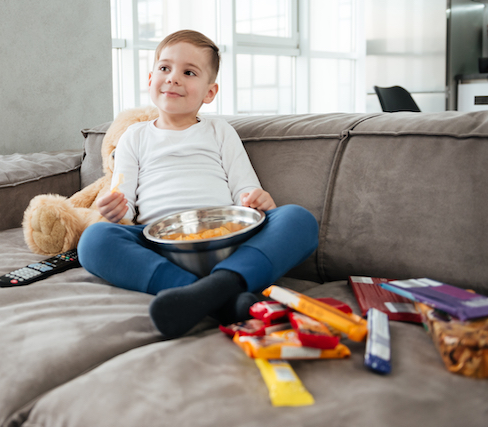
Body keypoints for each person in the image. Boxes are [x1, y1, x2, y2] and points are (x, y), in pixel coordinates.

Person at [77, 29, 318, 338]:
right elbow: (123, 200)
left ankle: (217, 288)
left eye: (189, 72)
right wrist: (112, 208)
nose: (173, 77)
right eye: (165, 68)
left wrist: (257, 200)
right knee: (95, 239)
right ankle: (214, 298)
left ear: (209, 92)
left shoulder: (220, 131)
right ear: (151, 78)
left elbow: (245, 189)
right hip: (160, 245)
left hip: (228, 242)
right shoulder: (133, 137)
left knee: (298, 219)